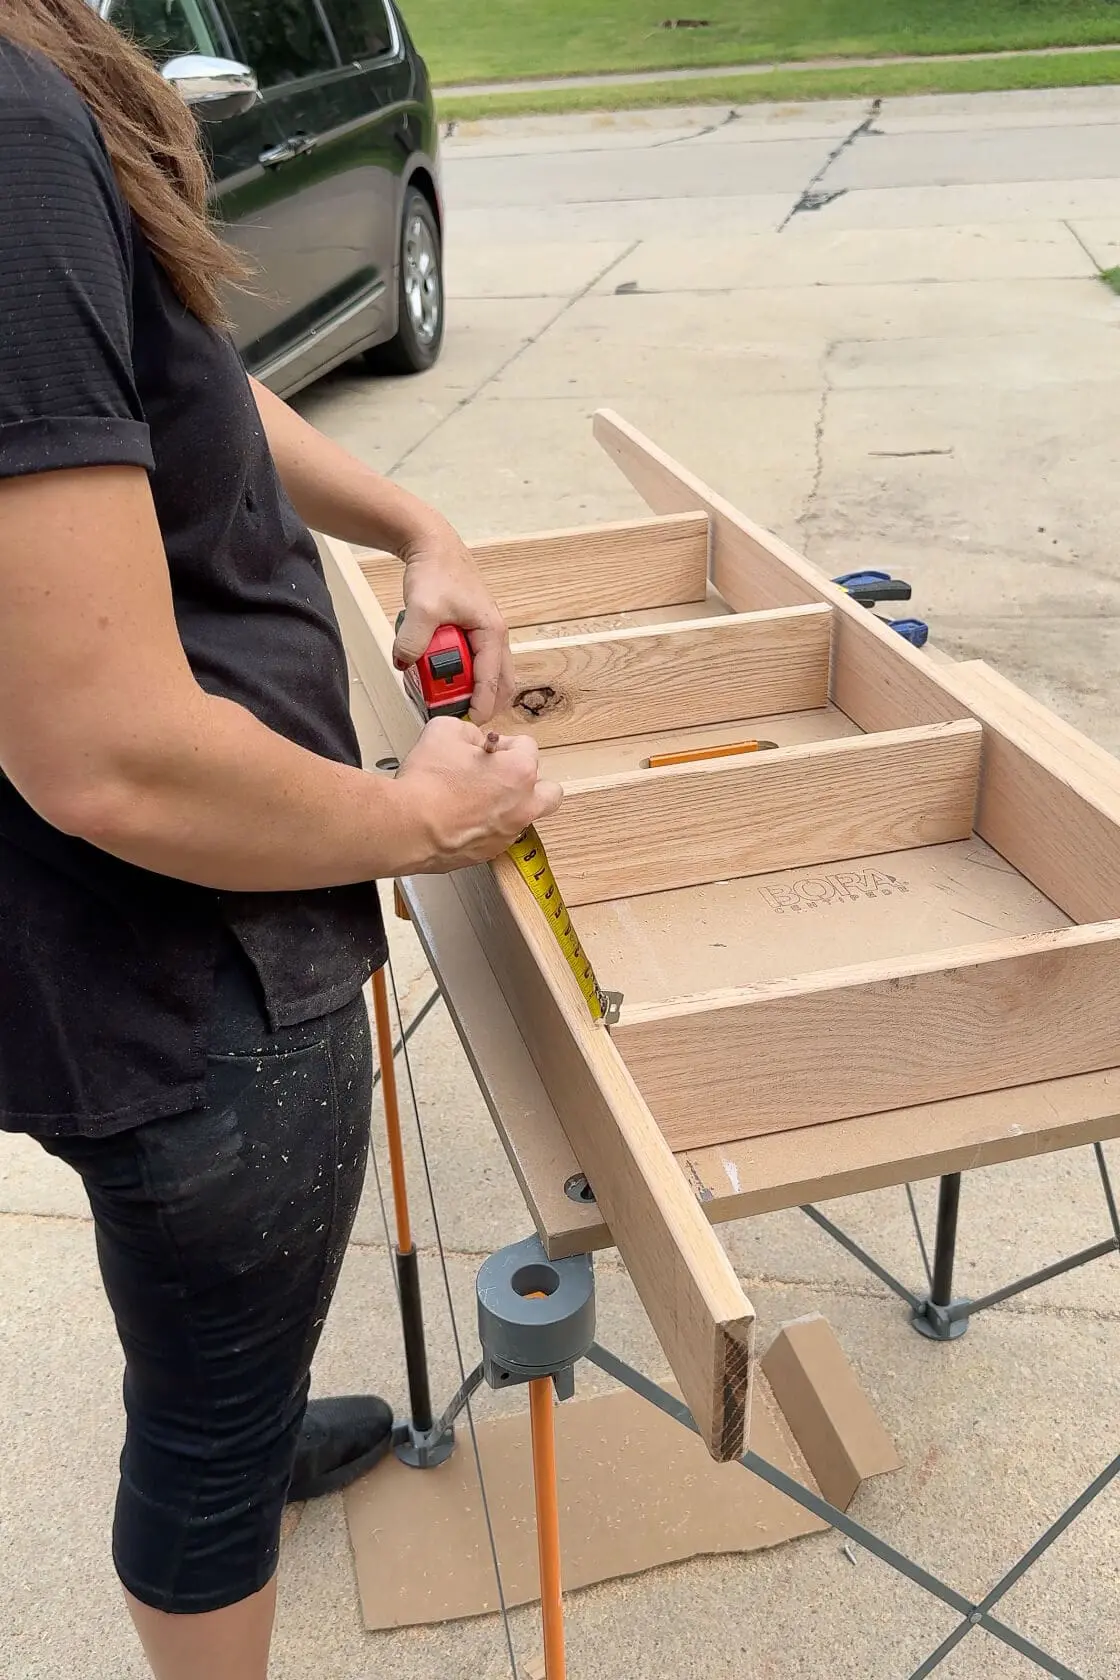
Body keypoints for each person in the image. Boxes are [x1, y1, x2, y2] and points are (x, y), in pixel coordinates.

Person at [0, 4, 563, 1676]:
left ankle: (235, 1387)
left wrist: (416, 521)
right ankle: (230, 1441)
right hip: (185, 959)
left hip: (127, 949)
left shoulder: (44, 71)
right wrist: (418, 817)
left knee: (202, 1323)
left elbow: (180, 387)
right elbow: (107, 754)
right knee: (202, 1446)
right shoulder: (10, 126)